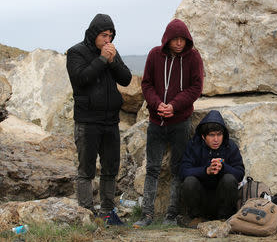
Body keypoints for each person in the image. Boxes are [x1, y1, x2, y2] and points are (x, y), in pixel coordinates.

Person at [134, 19, 204, 227]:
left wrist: (174, 105)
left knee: (177, 168)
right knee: (153, 168)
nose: (179, 43)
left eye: (183, 39)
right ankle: (146, 214)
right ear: (167, 39)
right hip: (156, 121)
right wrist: (157, 105)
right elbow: (146, 84)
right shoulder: (155, 55)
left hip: (180, 120)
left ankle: (171, 216)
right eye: (175, 39)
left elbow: (196, 87)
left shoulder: (193, 57)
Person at [66, 13, 132, 219]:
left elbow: (126, 79)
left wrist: (112, 61)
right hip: (87, 121)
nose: (108, 40)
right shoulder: (76, 52)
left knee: (110, 168)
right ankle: (86, 213)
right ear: (94, 34)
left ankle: (107, 212)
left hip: (110, 120)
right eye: (104, 35)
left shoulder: (112, 52)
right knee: (86, 169)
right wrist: (103, 59)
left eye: (111, 36)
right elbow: (81, 79)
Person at [179, 110, 245, 226]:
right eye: (212, 135)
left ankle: (224, 218)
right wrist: (206, 170)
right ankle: (196, 217)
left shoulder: (230, 146)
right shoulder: (194, 146)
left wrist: (224, 168)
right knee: (189, 181)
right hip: (201, 200)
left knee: (229, 179)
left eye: (219, 135)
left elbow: (240, 173)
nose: (216, 139)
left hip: (223, 201)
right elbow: (183, 171)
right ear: (203, 136)